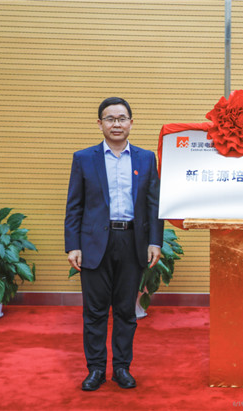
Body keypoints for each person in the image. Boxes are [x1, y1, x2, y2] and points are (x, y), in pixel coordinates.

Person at [65, 97, 164, 391]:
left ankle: (122, 368)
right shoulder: (84, 158)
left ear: (131, 123)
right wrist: (73, 245)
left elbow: (154, 204)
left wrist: (155, 241)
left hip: (132, 241)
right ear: (100, 124)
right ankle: (96, 369)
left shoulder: (146, 159)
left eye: (122, 118)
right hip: (94, 242)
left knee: (125, 311)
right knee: (95, 312)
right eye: (110, 119)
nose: (116, 124)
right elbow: (74, 205)